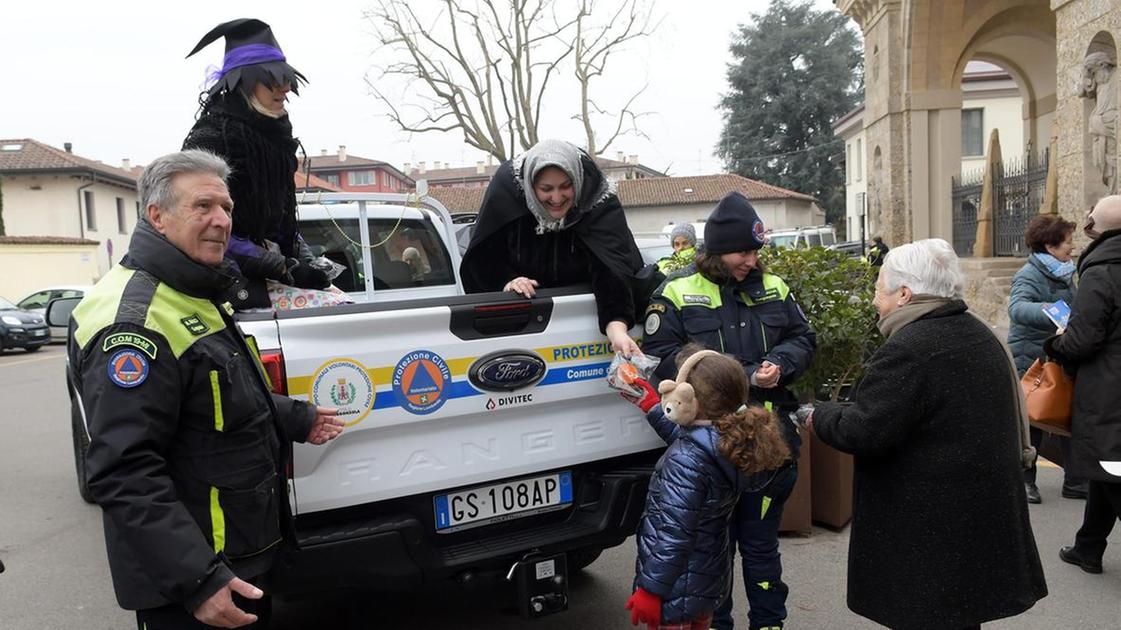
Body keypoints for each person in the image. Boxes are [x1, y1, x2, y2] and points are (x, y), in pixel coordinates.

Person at [67, 150, 345, 629]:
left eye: (227, 208)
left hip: (234, 557)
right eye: (203, 207)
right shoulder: (134, 322)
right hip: (197, 580)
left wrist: (296, 417)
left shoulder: (192, 288)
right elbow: (124, 471)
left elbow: (211, 397)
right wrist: (197, 580)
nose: (221, 221)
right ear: (157, 216)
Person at [807, 238, 1047, 629]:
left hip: (929, 532)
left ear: (904, 294)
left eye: (877, 288)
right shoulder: (976, 333)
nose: (873, 300)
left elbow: (864, 430)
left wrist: (819, 415)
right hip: (970, 521)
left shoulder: (912, 348)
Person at [642, 192, 814, 630]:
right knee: (710, 551)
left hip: (767, 451)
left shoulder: (775, 287)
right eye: (743, 251)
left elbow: (803, 338)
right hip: (708, 453)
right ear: (716, 251)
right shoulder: (677, 292)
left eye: (757, 250)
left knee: (760, 550)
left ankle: (770, 623)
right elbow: (662, 358)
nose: (753, 261)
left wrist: (783, 364)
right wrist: (747, 375)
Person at [621, 347, 790, 630]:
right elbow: (697, 440)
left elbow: (673, 534)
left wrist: (651, 590)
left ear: (689, 399)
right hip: (706, 581)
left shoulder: (685, 458)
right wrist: (652, 407)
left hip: (673, 589)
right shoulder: (730, 440)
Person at [183, 18, 330, 310]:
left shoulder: (275, 138)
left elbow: (280, 220)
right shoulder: (211, 140)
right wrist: (283, 267)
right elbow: (207, 229)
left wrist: (304, 259)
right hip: (220, 280)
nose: (284, 88)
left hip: (261, 272)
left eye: (286, 79)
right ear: (244, 83)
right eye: (272, 80)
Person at [459, 139, 648, 356]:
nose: (557, 198)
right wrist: (507, 280)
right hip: (520, 331)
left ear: (577, 181)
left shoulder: (597, 199)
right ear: (530, 186)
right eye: (546, 189)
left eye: (566, 186)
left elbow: (611, 268)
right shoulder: (506, 194)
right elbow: (483, 259)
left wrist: (617, 328)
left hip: (583, 326)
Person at [1046, 195, 1121, 575]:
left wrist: (1057, 343)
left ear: (1094, 227)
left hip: (1109, 394)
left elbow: (1083, 341)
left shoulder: (1101, 270)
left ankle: (1087, 547)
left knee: (1113, 470)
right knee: (1109, 469)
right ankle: (1087, 546)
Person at [1007, 214, 1085, 503]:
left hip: (1057, 356)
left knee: (1064, 415)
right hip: (1032, 358)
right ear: (1050, 246)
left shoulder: (1063, 272)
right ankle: (1025, 481)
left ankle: (1075, 481)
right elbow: (1017, 310)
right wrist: (1054, 311)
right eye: (1067, 242)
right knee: (1034, 422)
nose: (1072, 247)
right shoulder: (1029, 274)